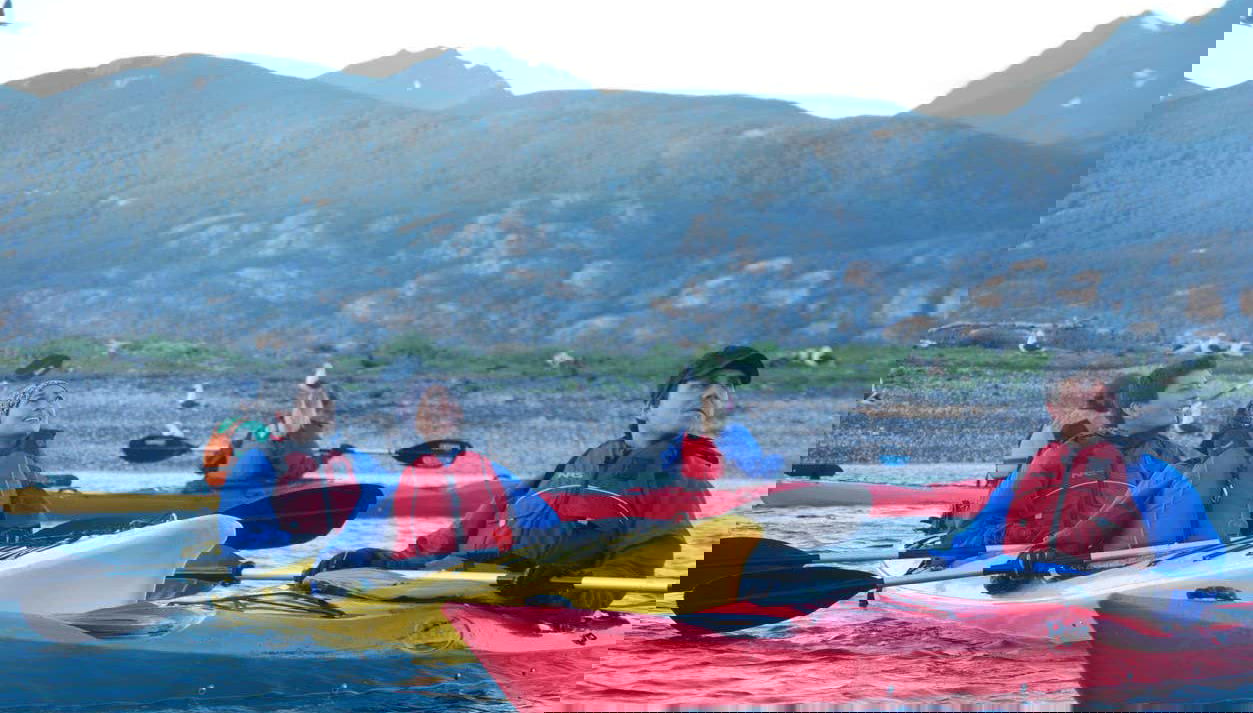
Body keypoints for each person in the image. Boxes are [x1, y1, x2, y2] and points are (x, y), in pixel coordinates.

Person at [306, 346, 766, 584]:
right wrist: (398, 555)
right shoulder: (614, 454)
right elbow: (506, 504)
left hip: (532, 556)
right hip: (508, 540)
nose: (705, 412)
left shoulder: (686, 465)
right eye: (702, 400)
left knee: (456, 559)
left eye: (714, 405)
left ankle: (391, 573)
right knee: (374, 558)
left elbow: (658, 526)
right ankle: (348, 575)